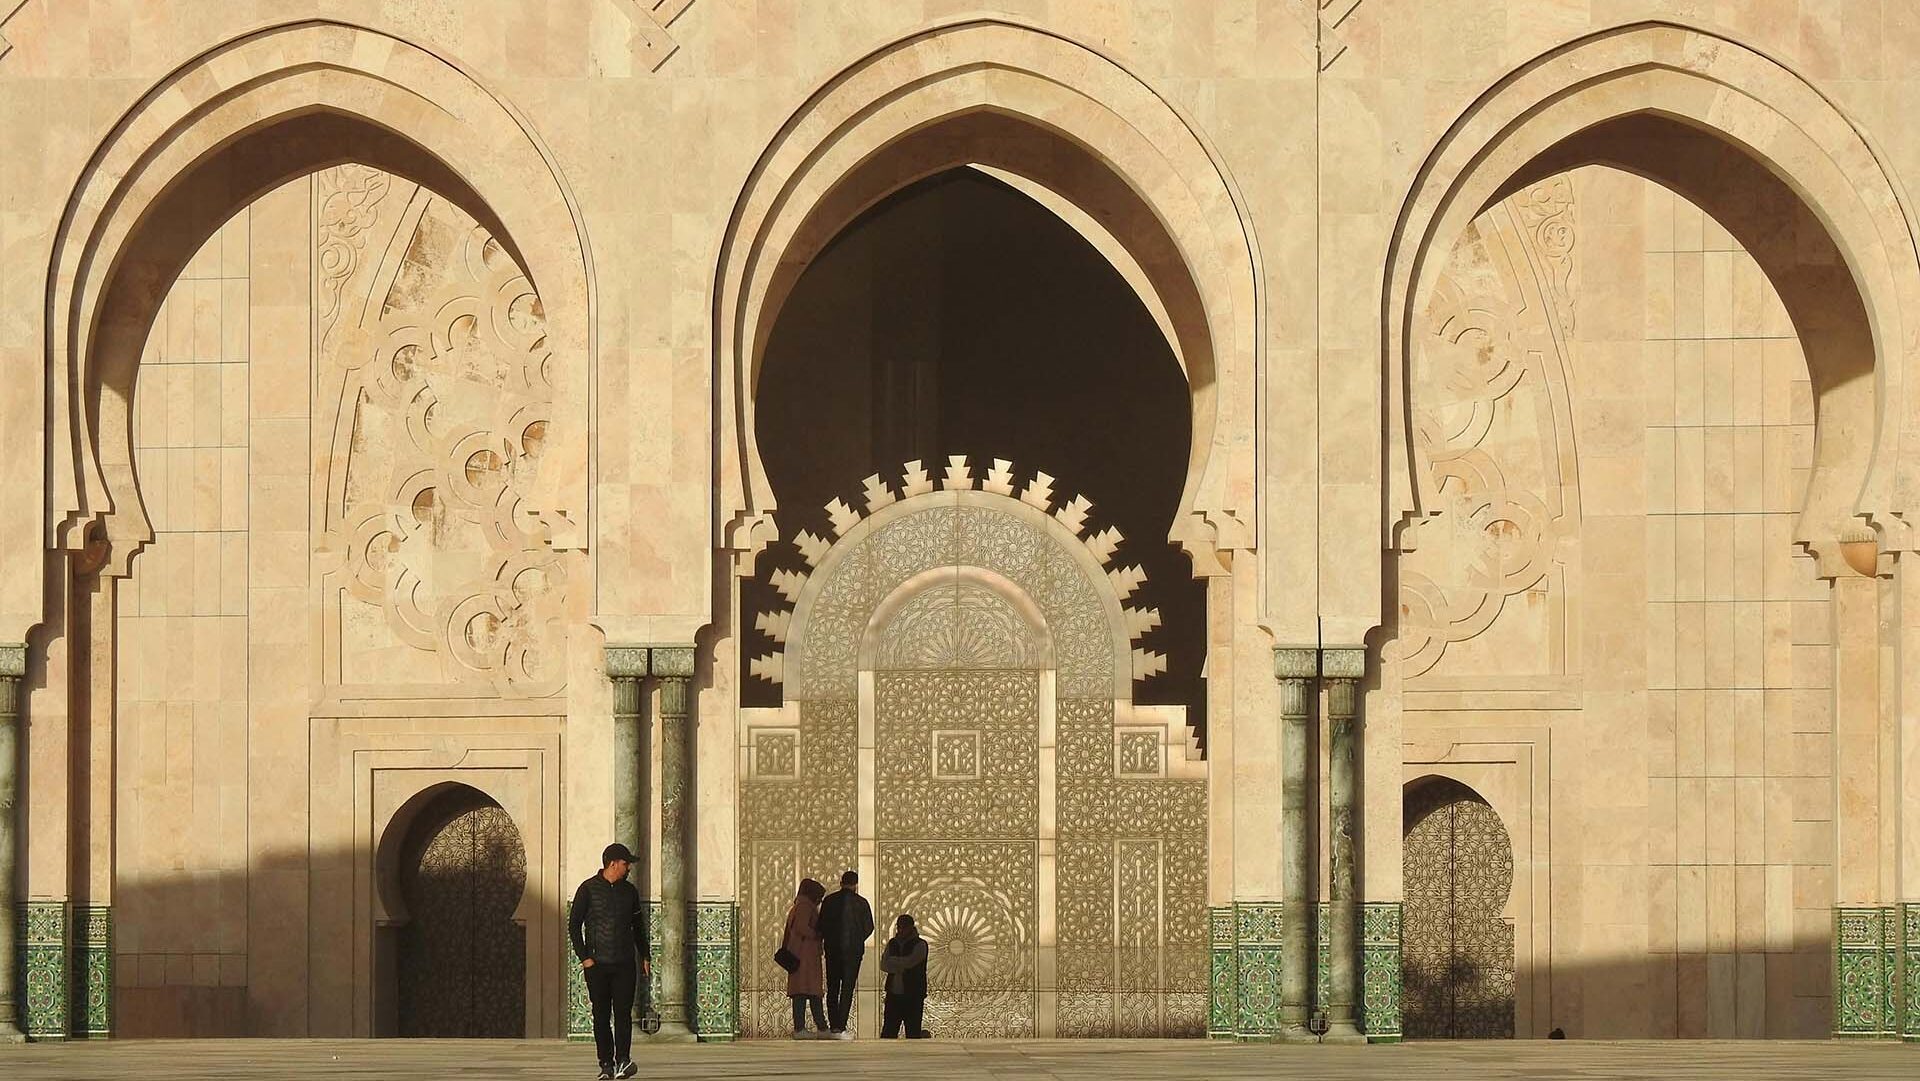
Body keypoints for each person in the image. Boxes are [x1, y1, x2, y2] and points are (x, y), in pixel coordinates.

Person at [570, 843, 652, 1080]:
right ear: (613, 863)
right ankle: (606, 1063)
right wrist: (585, 958)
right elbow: (574, 926)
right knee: (602, 1015)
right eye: (626, 864)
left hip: (624, 963)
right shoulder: (587, 889)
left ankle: (623, 1061)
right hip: (597, 965)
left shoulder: (630, 892)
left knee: (623, 1014)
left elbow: (638, 927)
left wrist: (644, 954)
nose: (628, 869)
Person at [816, 869, 874, 1038]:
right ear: (856, 885)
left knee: (833, 987)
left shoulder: (829, 901)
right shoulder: (861, 903)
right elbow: (869, 927)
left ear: (841, 883)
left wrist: (830, 940)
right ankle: (841, 1027)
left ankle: (833, 1025)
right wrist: (857, 939)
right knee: (847, 988)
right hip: (853, 953)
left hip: (833, 951)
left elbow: (821, 926)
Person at [782, 877, 829, 1038]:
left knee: (804, 991)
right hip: (805, 955)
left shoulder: (800, 905)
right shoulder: (804, 907)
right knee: (807, 992)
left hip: (802, 954)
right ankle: (813, 1028)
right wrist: (817, 934)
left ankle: (810, 1027)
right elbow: (801, 927)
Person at [878, 913, 930, 1039]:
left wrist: (894, 961)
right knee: (888, 1032)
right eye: (899, 927)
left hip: (913, 994)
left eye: (904, 927)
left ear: (911, 928)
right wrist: (901, 964)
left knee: (913, 1032)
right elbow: (884, 965)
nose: (901, 930)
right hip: (893, 994)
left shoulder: (920, 944)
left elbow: (911, 962)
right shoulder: (893, 943)